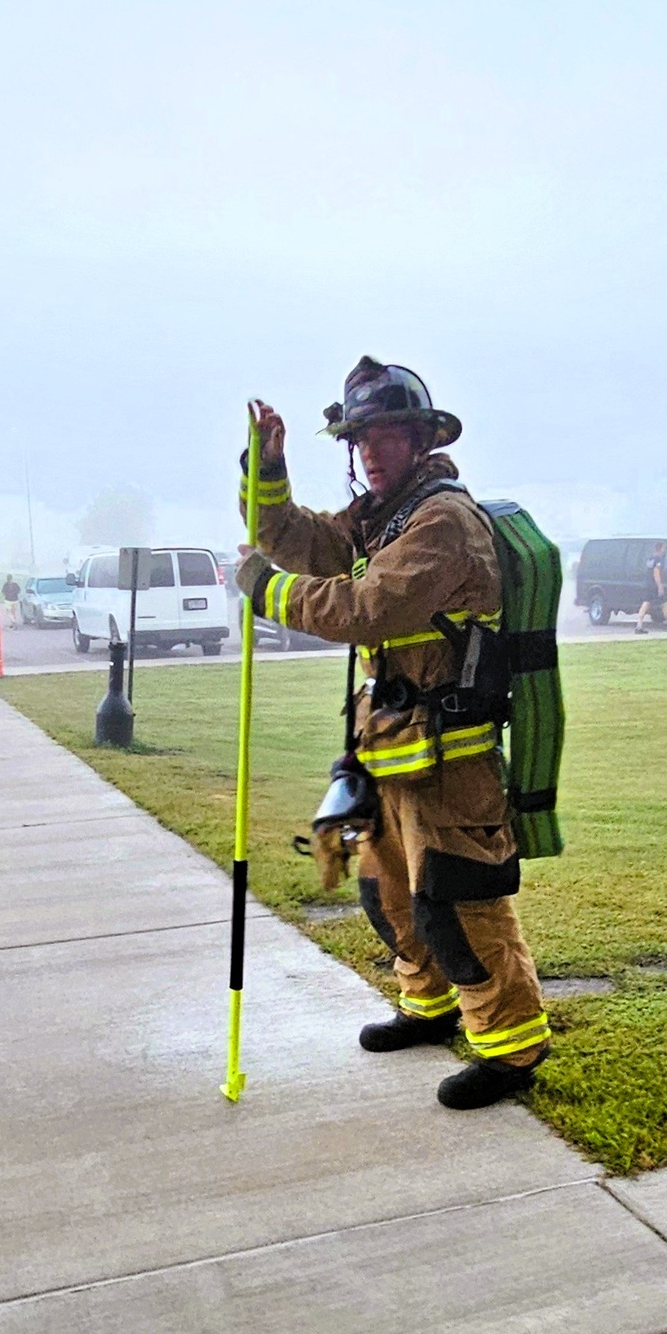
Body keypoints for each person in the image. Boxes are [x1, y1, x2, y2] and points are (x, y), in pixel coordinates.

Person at [235, 358, 551, 1110]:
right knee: (390, 894)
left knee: (459, 904)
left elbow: (365, 611)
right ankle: (428, 1005)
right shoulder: (383, 517)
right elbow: (292, 537)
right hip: (393, 750)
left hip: (454, 760)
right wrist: (268, 468)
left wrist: (264, 591)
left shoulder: (442, 521)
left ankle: (511, 1049)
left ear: (419, 437)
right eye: (358, 439)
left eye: (384, 436)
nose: (369, 452)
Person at [634, 542, 667, 633]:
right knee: (664, 603)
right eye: (664, 548)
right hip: (654, 585)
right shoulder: (659, 559)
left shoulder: (650, 558)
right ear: (661, 548)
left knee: (646, 603)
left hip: (648, 583)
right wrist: (660, 586)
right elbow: (656, 572)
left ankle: (639, 625)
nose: (665, 550)